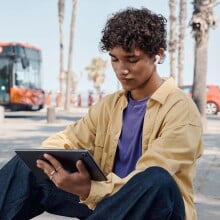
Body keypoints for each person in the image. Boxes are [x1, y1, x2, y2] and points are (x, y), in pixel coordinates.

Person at [0, 7, 203, 220]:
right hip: (107, 204)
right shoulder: (110, 105)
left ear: (158, 55)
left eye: (131, 60)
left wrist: (89, 190)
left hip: (154, 208)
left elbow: (146, 179)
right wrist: (50, 162)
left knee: (156, 179)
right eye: (115, 59)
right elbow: (69, 138)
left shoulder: (181, 111)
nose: (121, 69)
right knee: (29, 167)